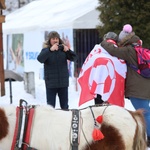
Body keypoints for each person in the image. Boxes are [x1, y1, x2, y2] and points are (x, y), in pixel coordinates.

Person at [101, 24, 150, 147]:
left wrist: (105, 42)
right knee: (146, 112)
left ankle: (149, 138)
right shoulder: (139, 48)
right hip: (145, 86)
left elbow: (113, 50)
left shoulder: (129, 50)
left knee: (145, 113)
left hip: (137, 88)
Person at [37, 31, 77, 109]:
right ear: (49, 40)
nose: (55, 40)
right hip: (51, 84)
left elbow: (74, 58)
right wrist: (50, 50)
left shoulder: (63, 50)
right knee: (50, 107)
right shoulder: (46, 50)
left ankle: (65, 120)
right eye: (53, 39)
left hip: (63, 83)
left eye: (57, 38)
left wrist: (68, 50)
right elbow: (40, 59)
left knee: (65, 107)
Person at [94, 31, 118, 105]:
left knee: (98, 107)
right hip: (112, 83)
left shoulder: (98, 48)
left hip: (98, 81)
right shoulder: (118, 50)